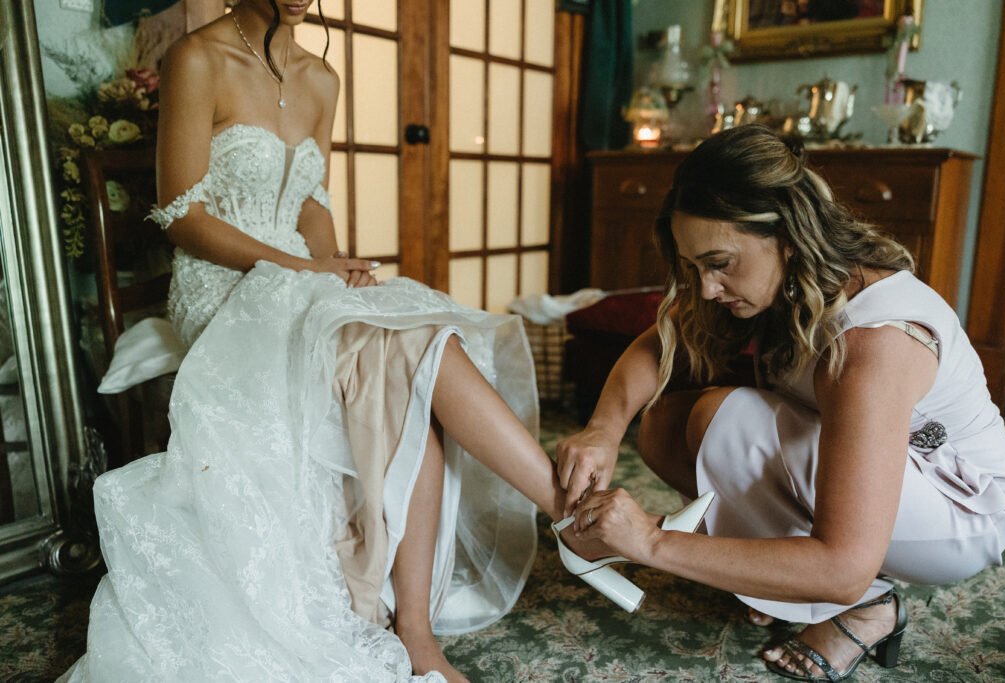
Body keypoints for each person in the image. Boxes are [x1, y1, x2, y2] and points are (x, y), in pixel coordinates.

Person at [59, 1, 643, 680]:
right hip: (220, 287)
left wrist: (339, 275)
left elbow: (312, 203)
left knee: (411, 353)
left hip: (301, 278)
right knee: (403, 341)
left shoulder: (321, 78)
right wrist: (308, 271)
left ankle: (421, 629)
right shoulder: (197, 58)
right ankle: (568, 513)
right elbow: (181, 215)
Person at [555, 124, 1005, 681]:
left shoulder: (872, 346)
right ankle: (784, 576)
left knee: (724, 418)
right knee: (664, 424)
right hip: (882, 474)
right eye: (695, 267)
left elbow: (843, 565)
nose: (706, 288)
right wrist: (604, 429)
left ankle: (869, 606)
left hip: (961, 512)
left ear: (788, 238)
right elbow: (662, 343)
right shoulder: (783, 281)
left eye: (720, 263)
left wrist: (651, 540)